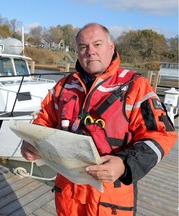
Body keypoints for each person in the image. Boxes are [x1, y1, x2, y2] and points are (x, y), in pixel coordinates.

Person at [21, 23, 177, 216]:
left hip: (111, 198)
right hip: (68, 193)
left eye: (97, 44)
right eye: (83, 47)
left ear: (111, 47)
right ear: (77, 51)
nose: (90, 52)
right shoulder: (63, 86)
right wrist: (30, 142)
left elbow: (162, 134)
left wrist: (125, 164)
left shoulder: (136, 86)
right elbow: (43, 121)